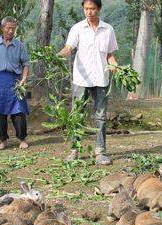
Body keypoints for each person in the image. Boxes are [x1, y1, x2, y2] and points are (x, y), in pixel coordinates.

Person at [58, 0, 118, 165]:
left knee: (101, 116)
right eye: (86, 9)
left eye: (92, 8)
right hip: (81, 78)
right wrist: (57, 56)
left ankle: (100, 152)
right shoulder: (77, 28)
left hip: (101, 78)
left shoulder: (108, 29)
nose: (89, 12)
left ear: (98, 9)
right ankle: (74, 150)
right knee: (77, 115)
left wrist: (116, 67)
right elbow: (69, 48)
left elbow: (110, 55)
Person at [0, 16, 30, 150]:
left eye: (13, 28)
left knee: (19, 111)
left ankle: (22, 139)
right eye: (9, 28)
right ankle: (2, 141)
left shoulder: (19, 45)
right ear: (2, 28)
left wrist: (24, 78)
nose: (11, 31)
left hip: (15, 81)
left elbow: (26, 64)